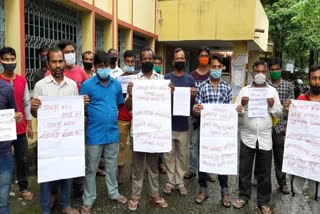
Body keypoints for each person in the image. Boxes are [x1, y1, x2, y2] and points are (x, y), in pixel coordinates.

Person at [31, 47, 89, 214]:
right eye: (54, 61)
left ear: (64, 63)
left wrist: (81, 104)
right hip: (48, 139)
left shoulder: (72, 86)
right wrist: (34, 108)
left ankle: (65, 205)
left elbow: (75, 112)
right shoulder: (40, 85)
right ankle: (44, 209)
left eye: (60, 61)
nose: (57, 65)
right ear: (48, 64)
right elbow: (36, 114)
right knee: (46, 175)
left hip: (67, 138)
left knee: (67, 171)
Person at [125, 47, 173, 211]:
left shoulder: (162, 79)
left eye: (149, 58)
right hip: (139, 131)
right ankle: (135, 196)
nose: (147, 61)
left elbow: (165, 106)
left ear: (153, 60)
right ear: (140, 60)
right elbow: (127, 106)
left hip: (156, 131)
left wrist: (170, 93)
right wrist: (130, 94)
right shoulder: (135, 81)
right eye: (144, 59)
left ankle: (155, 195)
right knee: (137, 167)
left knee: (153, 166)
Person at [80, 50, 127, 214]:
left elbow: (120, 105)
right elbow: (79, 109)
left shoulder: (116, 85)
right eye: (101, 66)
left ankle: (113, 193)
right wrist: (81, 104)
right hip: (94, 134)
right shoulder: (87, 85)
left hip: (112, 133)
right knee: (91, 169)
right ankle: (88, 199)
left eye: (107, 65)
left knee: (112, 166)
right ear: (95, 67)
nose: (104, 69)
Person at [233, 60, 282, 214]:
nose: (259, 74)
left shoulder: (272, 91)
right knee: (245, 169)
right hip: (247, 136)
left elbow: (280, 113)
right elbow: (236, 110)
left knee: (265, 172)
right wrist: (242, 105)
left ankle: (263, 201)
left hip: (265, 137)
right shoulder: (245, 91)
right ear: (252, 73)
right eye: (256, 72)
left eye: (262, 71)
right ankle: (243, 196)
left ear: (266, 73)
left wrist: (273, 105)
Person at [192, 53, 232, 206]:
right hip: (206, 131)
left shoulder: (226, 87)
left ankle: (225, 191)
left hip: (222, 132)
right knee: (203, 159)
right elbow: (196, 109)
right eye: (213, 66)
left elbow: (229, 110)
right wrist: (196, 108)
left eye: (218, 67)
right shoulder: (201, 86)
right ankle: (203, 189)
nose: (216, 69)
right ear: (209, 67)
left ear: (222, 68)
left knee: (222, 159)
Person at [284, 65, 320, 213]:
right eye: (314, 78)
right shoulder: (301, 99)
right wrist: (289, 111)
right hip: (299, 157)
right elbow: (292, 127)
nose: (317, 82)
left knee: (316, 195)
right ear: (309, 79)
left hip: (317, 159)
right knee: (295, 191)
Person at [0, 47, 34, 201]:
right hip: (3, 130)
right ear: (1, 61)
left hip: (20, 129)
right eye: (6, 59)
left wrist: (29, 126)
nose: (9, 62)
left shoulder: (22, 80)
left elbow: (26, 103)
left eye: (12, 59)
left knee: (22, 159)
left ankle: (23, 187)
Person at [163, 48, 196, 196]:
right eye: (177, 58)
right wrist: (165, 91)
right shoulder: (166, 78)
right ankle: (170, 182)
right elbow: (160, 100)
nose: (180, 61)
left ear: (185, 60)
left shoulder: (190, 79)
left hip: (183, 124)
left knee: (182, 155)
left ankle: (180, 182)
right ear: (173, 61)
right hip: (168, 124)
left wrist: (193, 96)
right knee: (169, 156)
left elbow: (192, 105)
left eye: (182, 58)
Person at [185, 46, 215, 183]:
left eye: (206, 55)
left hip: (210, 118)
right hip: (195, 116)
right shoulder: (192, 76)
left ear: (209, 58)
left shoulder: (213, 75)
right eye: (201, 55)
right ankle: (192, 169)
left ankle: (206, 170)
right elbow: (187, 98)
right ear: (198, 58)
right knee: (193, 144)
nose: (204, 57)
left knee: (207, 144)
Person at [267, 57, 294, 194]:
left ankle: (282, 182)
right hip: (265, 126)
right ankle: (258, 179)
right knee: (262, 155)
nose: (275, 72)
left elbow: (293, 109)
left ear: (281, 70)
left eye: (277, 69)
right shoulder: (264, 86)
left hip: (280, 127)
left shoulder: (288, 86)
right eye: (272, 70)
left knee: (279, 156)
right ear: (269, 71)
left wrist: (287, 126)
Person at [0, 79, 23, 214]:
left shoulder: (6, 88)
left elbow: (14, 112)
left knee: (3, 198)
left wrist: (16, 117)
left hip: (3, 153)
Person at [117, 50, 137, 185]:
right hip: (122, 116)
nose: (130, 64)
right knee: (121, 146)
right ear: (123, 61)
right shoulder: (118, 80)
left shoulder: (139, 79)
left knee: (136, 147)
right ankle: (120, 173)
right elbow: (117, 99)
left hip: (137, 117)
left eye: (132, 62)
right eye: (127, 61)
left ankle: (135, 173)